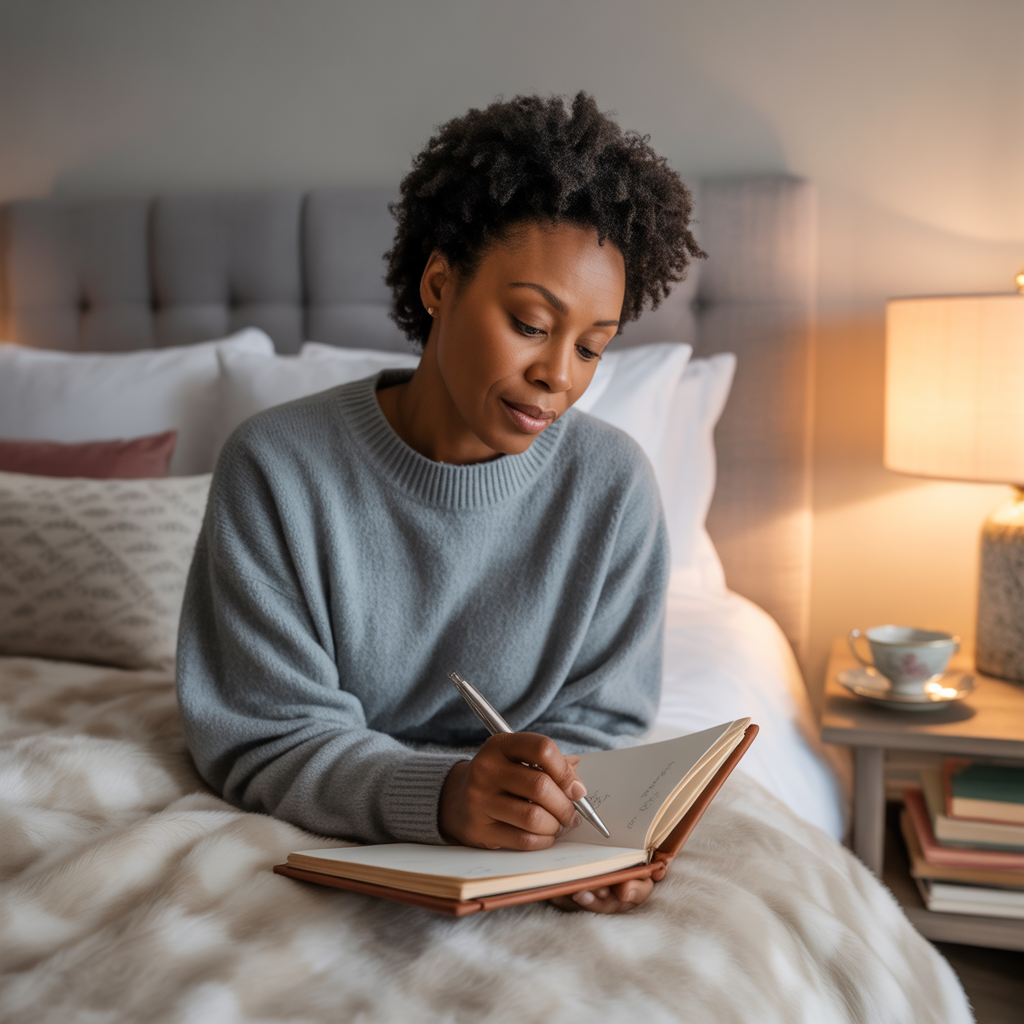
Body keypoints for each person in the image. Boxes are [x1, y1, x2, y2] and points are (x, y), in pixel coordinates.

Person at [176, 92, 703, 913]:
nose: (559, 374)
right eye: (531, 323)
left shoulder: (614, 489)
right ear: (439, 282)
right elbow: (264, 734)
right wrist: (444, 797)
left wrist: (564, 817)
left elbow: (601, 733)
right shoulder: (276, 467)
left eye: (593, 346)